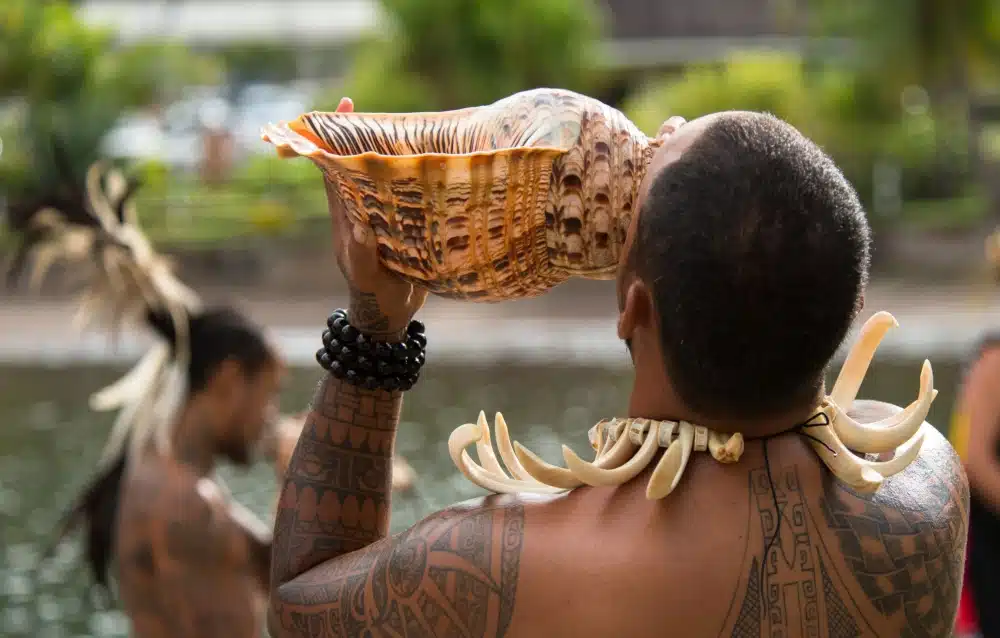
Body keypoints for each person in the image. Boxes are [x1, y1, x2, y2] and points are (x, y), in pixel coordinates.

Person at [267, 99, 970, 637]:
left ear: (635, 310)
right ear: (849, 304)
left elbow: (299, 600)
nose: (658, 130)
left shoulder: (509, 559)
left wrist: (375, 329)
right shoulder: (924, 485)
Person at [9, 158, 301, 637]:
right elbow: (299, 601)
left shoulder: (160, 481)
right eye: (266, 395)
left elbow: (274, 568)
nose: (268, 417)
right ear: (228, 381)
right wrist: (298, 478)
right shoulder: (188, 504)